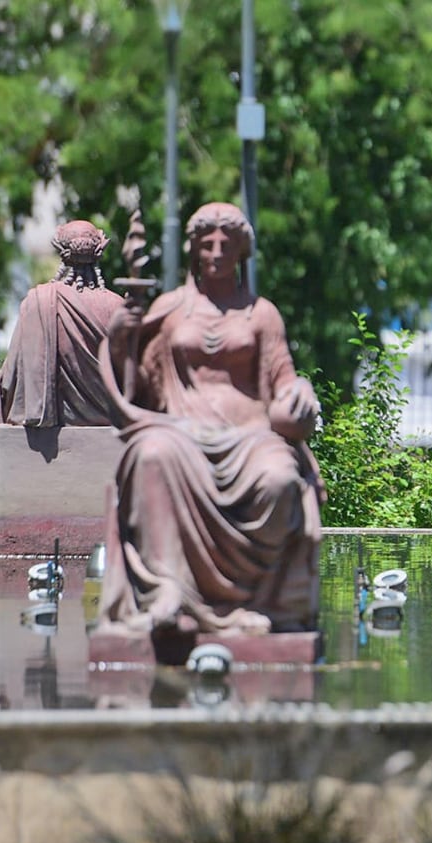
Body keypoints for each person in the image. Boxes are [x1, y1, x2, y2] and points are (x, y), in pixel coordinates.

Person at [95, 202, 324, 635]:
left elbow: (284, 380)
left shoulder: (262, 313)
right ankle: (169, 592)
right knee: (149, 455)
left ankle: (257, 603)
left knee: (278, 480)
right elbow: (139, 387)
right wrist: (122, 337)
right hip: (180, 432)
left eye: (227, 241)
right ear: (194, 249)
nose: (216, 249)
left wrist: (301, 393)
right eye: (207, 241)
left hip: (251, 436)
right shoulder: (169, 309)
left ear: (242, 251)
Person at [0, 220, 125, 482]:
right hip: (110, 431)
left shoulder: (38, 303)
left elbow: (13, 375)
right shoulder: (119, 308)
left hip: (45, 445)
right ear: (100, 250)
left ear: (61, 251)